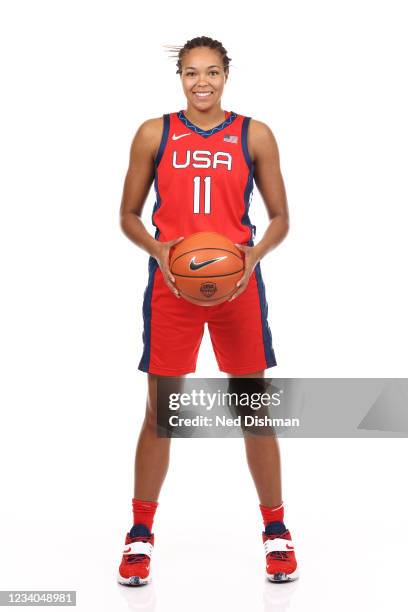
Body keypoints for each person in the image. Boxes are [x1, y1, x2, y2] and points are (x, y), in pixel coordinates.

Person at [117, 35, 298, 585]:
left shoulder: (254, 134)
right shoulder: (155, 133)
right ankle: (140, 535)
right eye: (192, 73)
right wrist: (160, 250)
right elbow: (127, 214)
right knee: (161, 414)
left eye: (212, 72)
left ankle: (276, 531)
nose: (202, 82)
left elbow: (281, 217)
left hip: (238, 287)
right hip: (170, 288)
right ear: (180, 77)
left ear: (226, 75)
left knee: (253, 411)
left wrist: (252, 255)